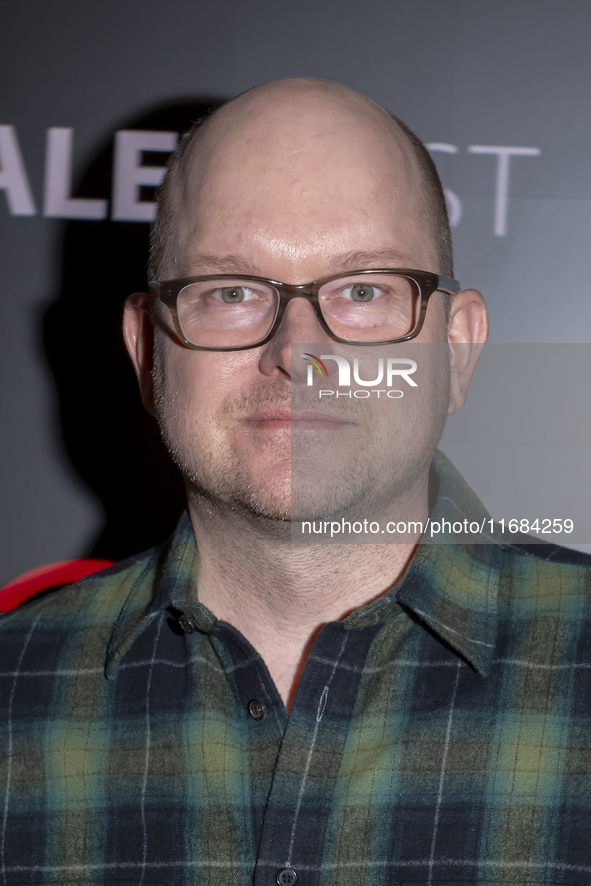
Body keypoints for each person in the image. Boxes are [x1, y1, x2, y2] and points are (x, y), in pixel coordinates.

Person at [1, 78, 590, 884]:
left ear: (456, 349)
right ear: (147, 350)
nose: (298, 353)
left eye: (362, 291)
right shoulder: (12, 692)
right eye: (232, 292)